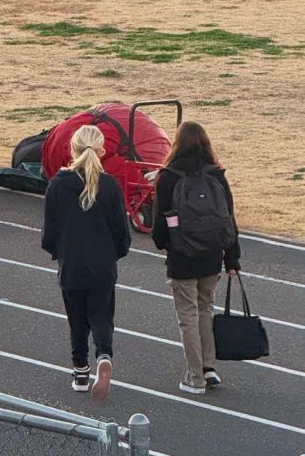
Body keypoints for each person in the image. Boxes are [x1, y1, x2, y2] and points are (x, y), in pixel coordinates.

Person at [41, 124, 131, 402]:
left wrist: (59, 252)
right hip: (102, 265)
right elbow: (122, 233)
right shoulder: (110, 186)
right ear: (102, 150)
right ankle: (104, 354)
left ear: (72, 148)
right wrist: (112, 254)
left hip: (72, 265)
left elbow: (50, 232)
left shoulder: (58, 184)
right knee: (102, 316)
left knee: (77, 320)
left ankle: (80, 371)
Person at [152, 121, 240, 395]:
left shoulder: (168, 176)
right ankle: (208, 367)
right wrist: (232, 258)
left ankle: (194, 378)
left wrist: (164, 243)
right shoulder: (217, 174)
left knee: (187, 316)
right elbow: (229, 218)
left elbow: (160, 222)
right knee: (205, 309)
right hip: (212, 255)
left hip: (182, 255)